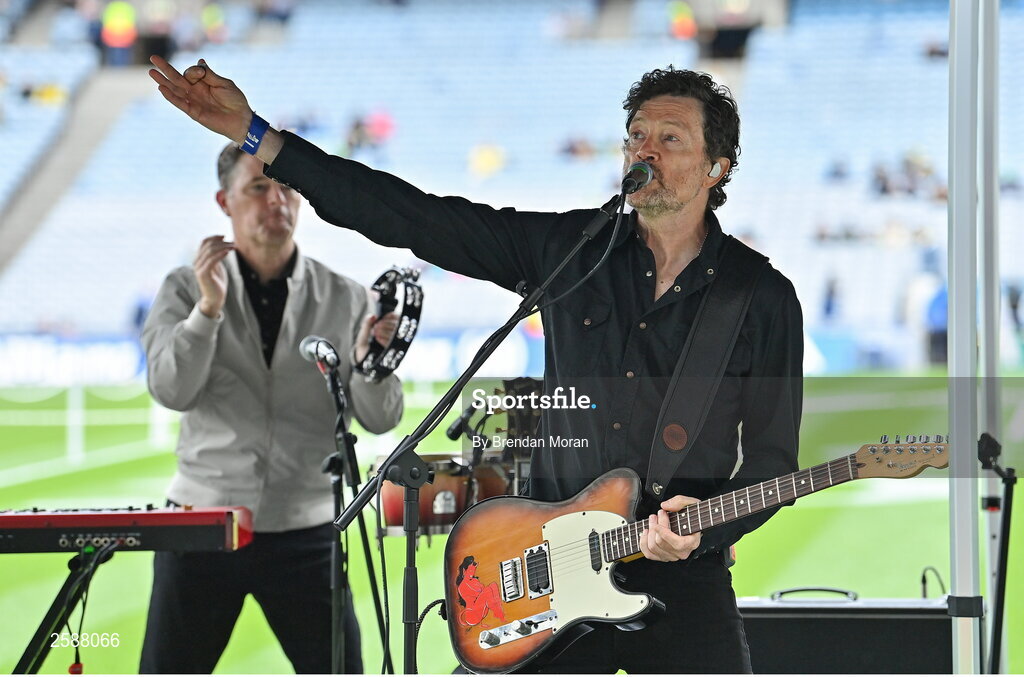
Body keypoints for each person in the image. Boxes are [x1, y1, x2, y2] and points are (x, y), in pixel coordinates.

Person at [148, 56, 803, 673]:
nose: (645, 151)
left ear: (717, 167)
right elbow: (415, 216)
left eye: (670, 138)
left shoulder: (761, 297)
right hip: (547, 575)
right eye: (636, 136)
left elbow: (774, 460)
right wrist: (256, 135)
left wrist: (706, 525)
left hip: (684, 582)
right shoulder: (570, 249)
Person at [139, 142, 404, 674]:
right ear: (225, 201)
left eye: (286, 186)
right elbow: (172, 390)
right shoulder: (183, 288)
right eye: (258, 187)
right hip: (202, 523)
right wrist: (207, 312)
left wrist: (373, 362)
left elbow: (381, 417)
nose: (276, 200)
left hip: (306, 528)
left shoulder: (346, 297)